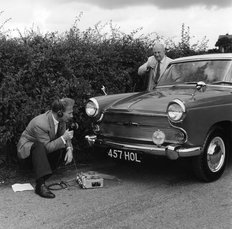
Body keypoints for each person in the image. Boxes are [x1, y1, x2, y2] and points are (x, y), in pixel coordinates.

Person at [17, 98, 75, 198]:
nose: (72, 116)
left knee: (60, 144)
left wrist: (69, 149)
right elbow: (46, 148)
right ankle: (40, 185)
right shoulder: (40, 124)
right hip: (28, 155)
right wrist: (63, 138)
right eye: (69, 113)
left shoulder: (61, 120)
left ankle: (45, 173)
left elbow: (66, 136)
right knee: (39, 145)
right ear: (60, 113)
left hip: (41, 154)